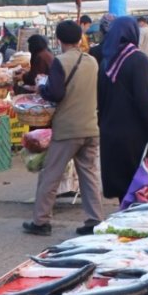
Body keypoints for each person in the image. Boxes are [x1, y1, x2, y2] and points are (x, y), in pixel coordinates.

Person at [22, 20, 104, 236]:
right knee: (89, 176)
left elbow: (56, 93)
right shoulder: (92, 62)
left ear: (58, 40)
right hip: (90, 126)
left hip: (68, 128)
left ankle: (41, 221)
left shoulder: (61, 62)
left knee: (50, 174)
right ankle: (95, 220)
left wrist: (41, 87)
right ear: (79, 38)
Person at [98, 16, 148, 201]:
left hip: (111, 132)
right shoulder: (138, 60)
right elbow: (144, 102)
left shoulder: (106, 61)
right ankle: (135, 226)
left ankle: (123, 225)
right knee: (141, 189)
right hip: (134, 136)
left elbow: (100, 100)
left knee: (123, 191)